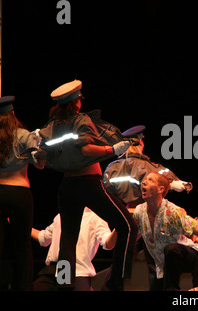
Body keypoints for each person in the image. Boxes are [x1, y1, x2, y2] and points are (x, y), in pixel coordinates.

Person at [41, 80, 137, 290]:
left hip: (66, 186)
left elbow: (40, 162)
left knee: (68, 237)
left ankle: (64, 285)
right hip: (88, 183)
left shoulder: (52, 126)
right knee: (128, 226)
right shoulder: (80, 119)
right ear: (76, 102)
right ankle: (116, 282)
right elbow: (85, 150)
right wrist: (111, 150)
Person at [133, 172, 198, 291]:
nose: (144, 182)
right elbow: (132, 236)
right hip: (164, 264)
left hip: (187, 256)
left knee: (171, 249)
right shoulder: (139, 212)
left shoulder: (173, 211)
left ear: (160, 189)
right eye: (145, 180)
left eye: (150, 180)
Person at [0, 96, 45, 290]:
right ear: (12, 114)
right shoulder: (24, 135)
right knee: (23, 247)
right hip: (18, 193)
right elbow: (39, 164)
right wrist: (40, 145)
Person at [103, 125, 192, 210]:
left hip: (123, 214)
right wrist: (172, 184)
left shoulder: (112, 167)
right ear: (140, 142)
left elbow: (104, 190)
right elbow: (166, 179)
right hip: (146, 214)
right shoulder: (149, 167)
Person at [31, 207, 117, 291]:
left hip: (76, 270)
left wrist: (119, 227)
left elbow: (107, 243)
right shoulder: (61, 216)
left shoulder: (94, 218)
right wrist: (23, 224)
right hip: (54, 269)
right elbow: (43, 238)